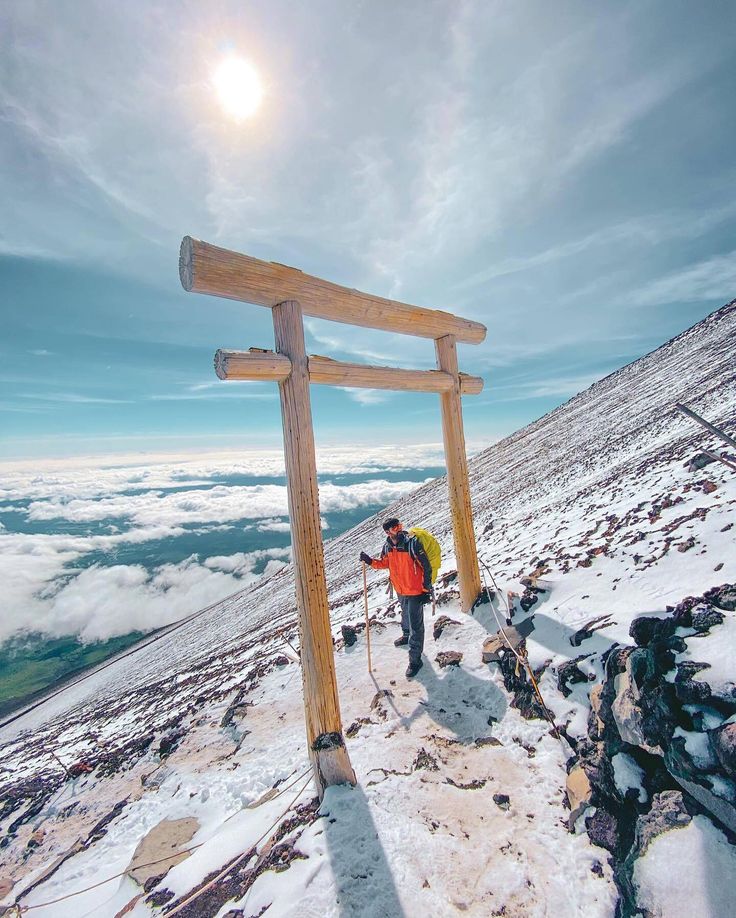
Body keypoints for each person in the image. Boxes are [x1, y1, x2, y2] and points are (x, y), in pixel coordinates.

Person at [360, 517, 432, 678]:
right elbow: (385, 563)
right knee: (405, 614)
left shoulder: (412, 544)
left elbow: (426, 566)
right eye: (394, 528)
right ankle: (406, 635)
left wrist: (426, 589)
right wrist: (370, 561)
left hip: (415, 591)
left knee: (416, 626)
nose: (399, 529)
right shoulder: (387, 547)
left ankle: (415, 661)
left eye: (399, 525)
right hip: (400, 588)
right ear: (387, 532)